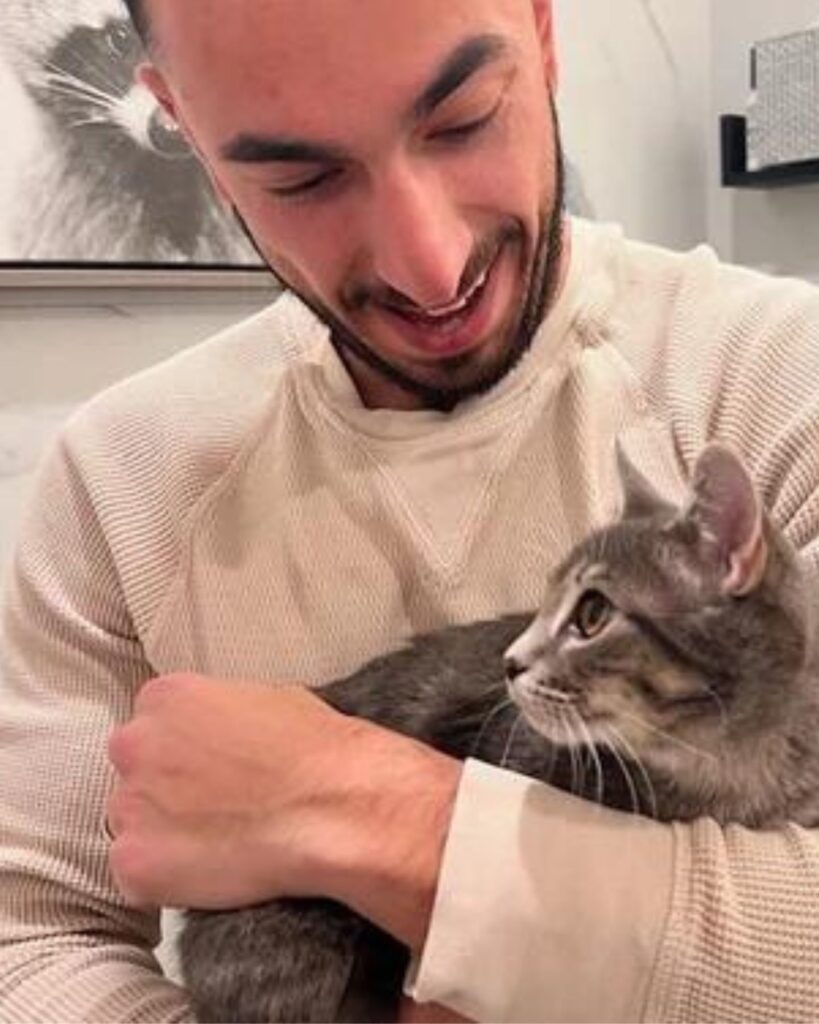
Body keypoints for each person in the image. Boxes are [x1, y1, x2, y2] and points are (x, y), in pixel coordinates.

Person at [1, 1, 818, 1021]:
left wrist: (355, 802)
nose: (425, 265)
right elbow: (30, 942)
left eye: (463, 118)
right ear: (184, 131)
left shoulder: (786, 379)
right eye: (302, 178)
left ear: (543, 28)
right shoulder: (118, 479)